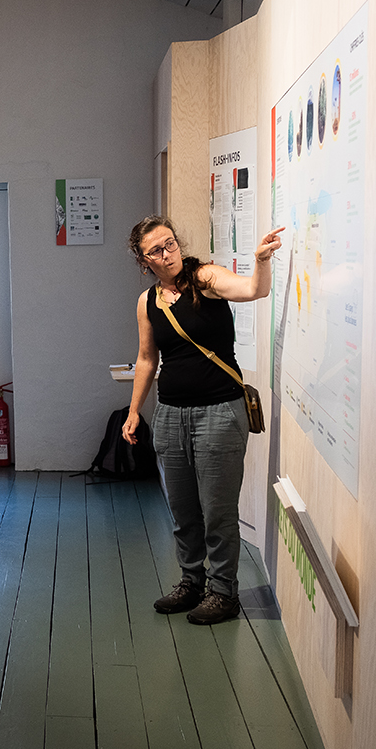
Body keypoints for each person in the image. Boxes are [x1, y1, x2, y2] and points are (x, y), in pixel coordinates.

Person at [122, 216, 283, 625]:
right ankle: (191, 582)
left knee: (217, 509)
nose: (166, 253)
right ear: (144, 261)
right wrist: (134, 411)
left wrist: (260, 261)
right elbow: (146, 358)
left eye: (170, 243)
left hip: (219, 412)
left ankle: (224, 592)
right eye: (155, 250)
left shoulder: (205, 278)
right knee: (183, 509)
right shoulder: (148, 302)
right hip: (171, 414)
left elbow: (253, 290)